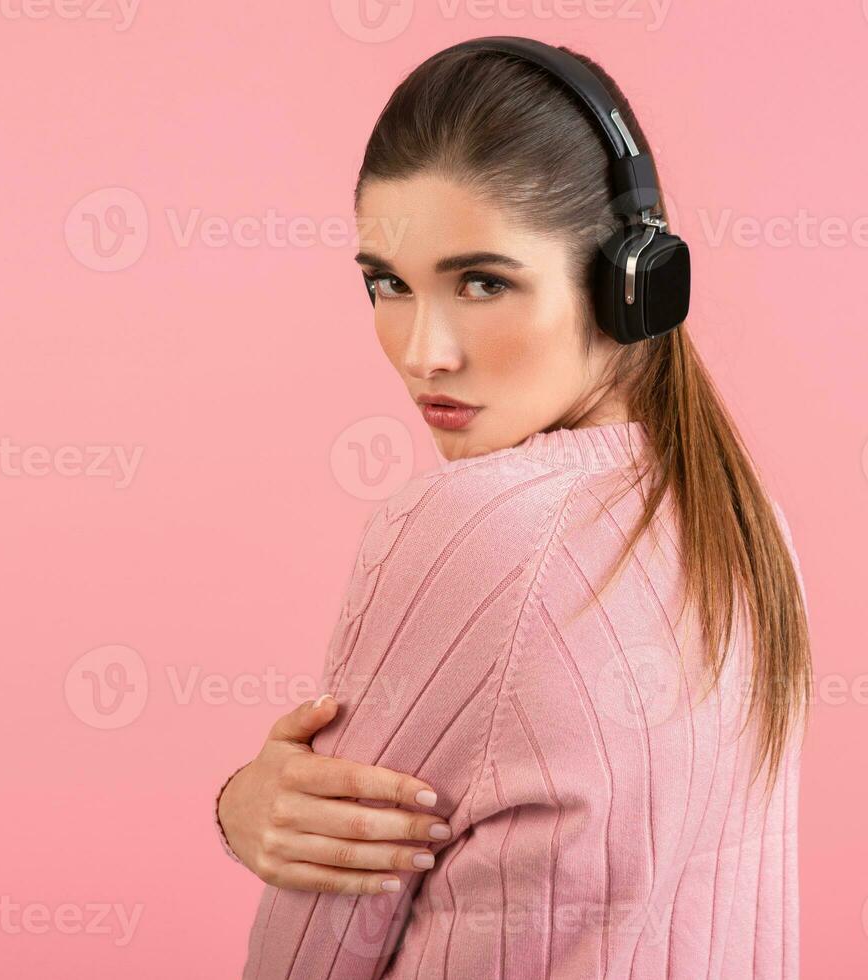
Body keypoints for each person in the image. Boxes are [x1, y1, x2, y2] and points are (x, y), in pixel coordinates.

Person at [214, 36, 811, 979]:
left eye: (483, 283)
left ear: (632, 286)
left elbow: (312, 950)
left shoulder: (471, 529)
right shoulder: (746, 525)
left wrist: (241, 812)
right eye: (388, 284)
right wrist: (252, 806)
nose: (423, 353)